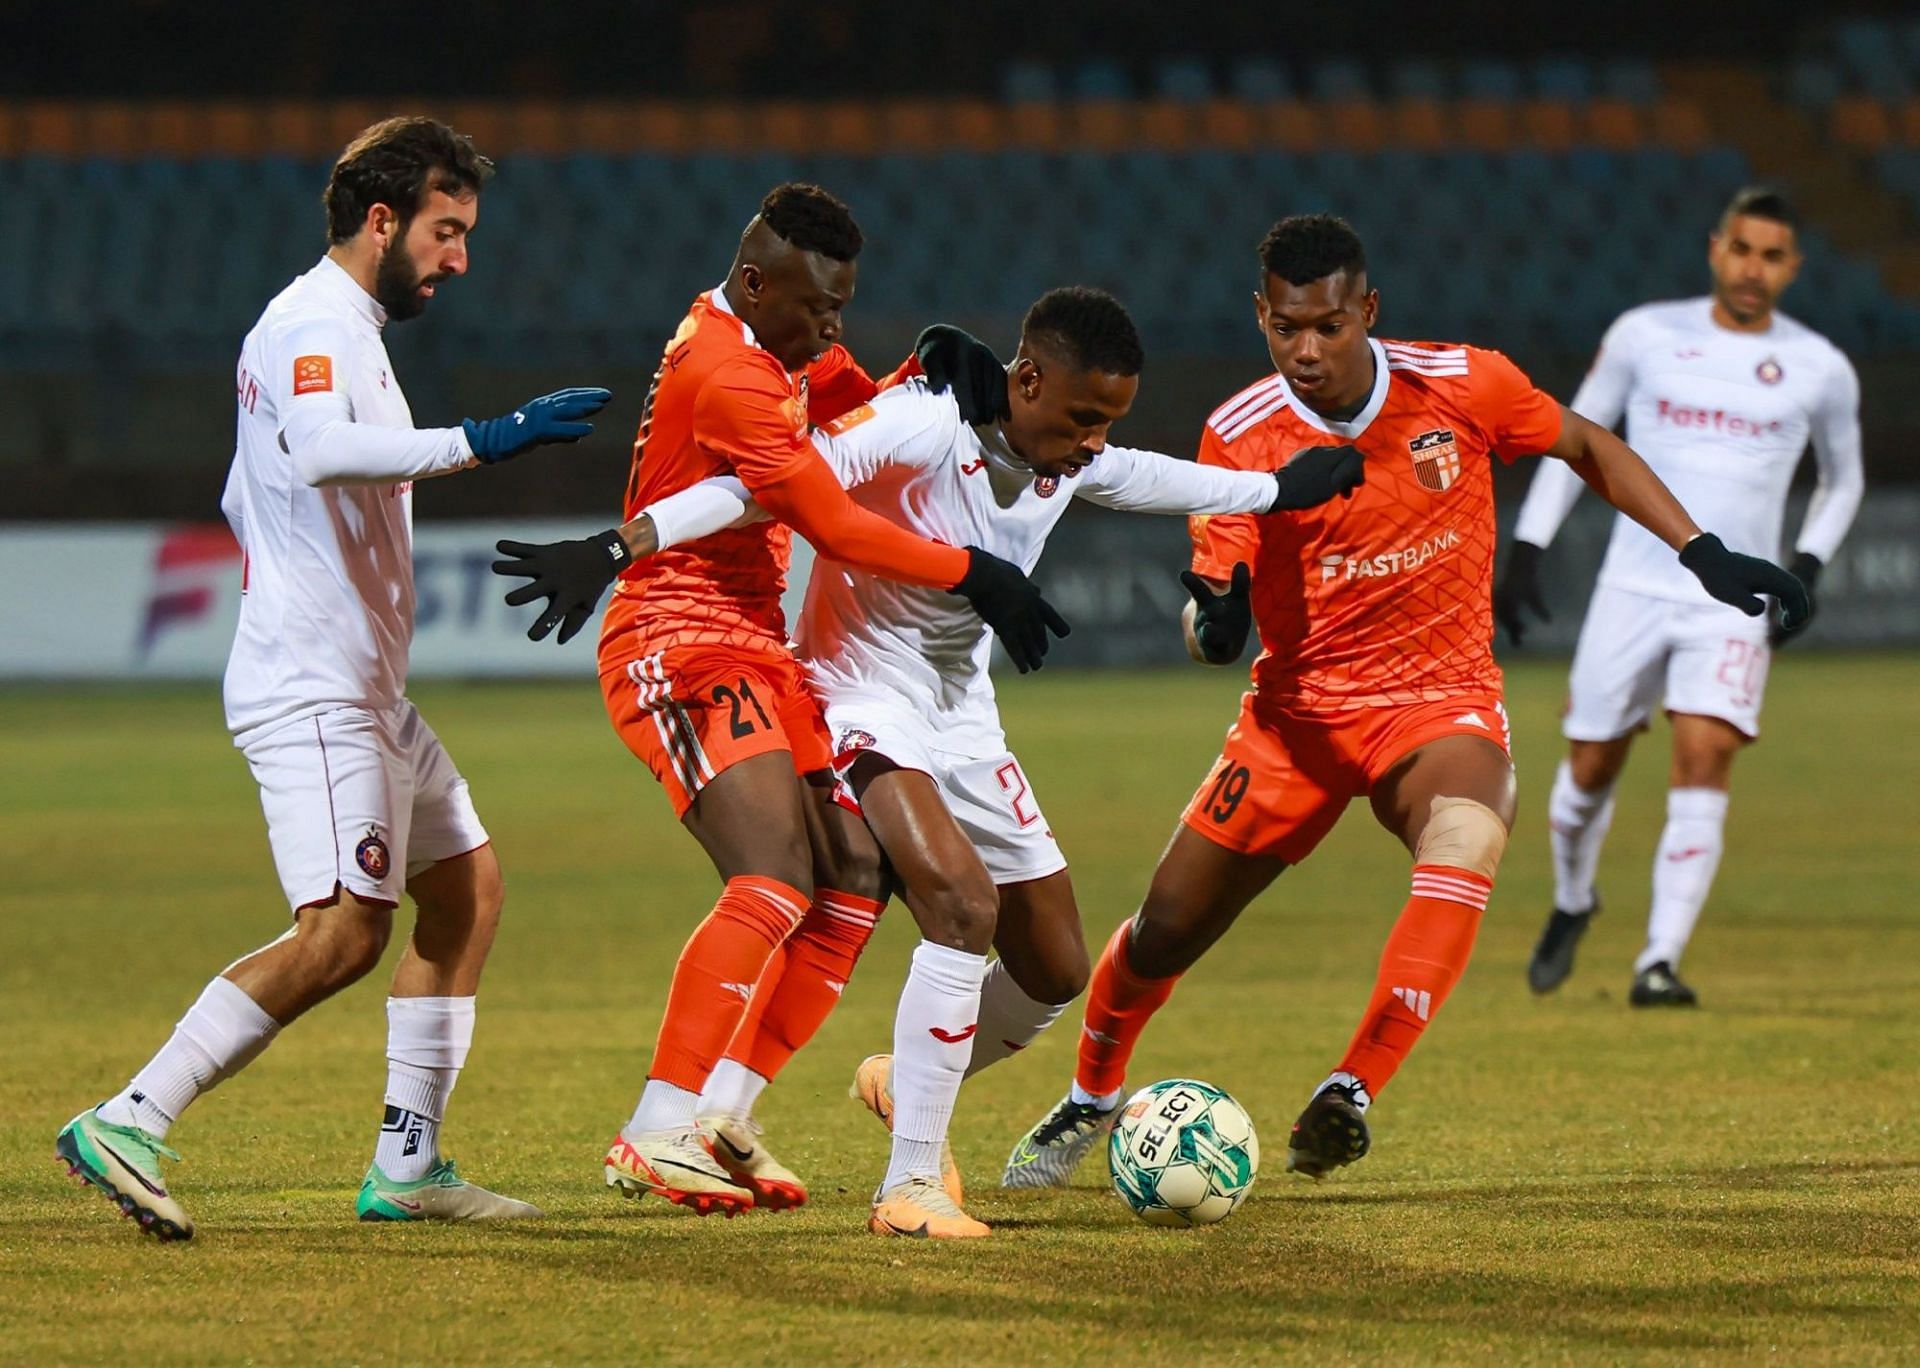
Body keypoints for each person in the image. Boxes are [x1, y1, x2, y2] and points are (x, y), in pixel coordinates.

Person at [1003, 214, 1808, 1188]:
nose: (1307, 349)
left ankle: (1352, 1090)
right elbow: (1213, 593)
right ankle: (1091, 1095)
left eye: (1329, 326)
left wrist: (1703, 551)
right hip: (1294, 726)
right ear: (1262, 315)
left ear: (1367, 312)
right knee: (1167, 927)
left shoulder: (1463, 384)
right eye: (1287, 327)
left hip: (1438, 702)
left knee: (1467, 836)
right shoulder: (1242, 431)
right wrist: (1215, 624)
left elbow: (1589, 446)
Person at [627, 286, 1364, 1236]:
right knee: (961, 909)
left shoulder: (1069, 456)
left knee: (1055, 967)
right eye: (1082, 416)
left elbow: (1151, 476)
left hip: (964, 717)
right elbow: (774, 480)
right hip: (859, 693)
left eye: (1108, 420)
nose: (1094, 439)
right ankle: (909, 1189)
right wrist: (627, 539)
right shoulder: (920, 420)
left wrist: (1277, 491)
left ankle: (905, 1075)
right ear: (1026, 380)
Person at [56, 116, 613, 1240]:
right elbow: (313, 449)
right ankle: (131, 1117)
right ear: (381, 220)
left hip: (364, 687)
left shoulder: (343, 329)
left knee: (466, 889)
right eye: (446, 231)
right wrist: (487, 438)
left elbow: (244, 485)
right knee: (343, 931)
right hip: (314, 686)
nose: (459, 257)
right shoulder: (312, 321)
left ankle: (407, 1169)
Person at [489, 184, 1062, 1216]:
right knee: (773, 874)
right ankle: (657, 1127)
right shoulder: (729, 374)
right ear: (756, 283)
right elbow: (834, 524)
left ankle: (721, 1115)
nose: (832, 327)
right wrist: (969, 568)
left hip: (759, 640)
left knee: (852, 874)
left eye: (844, 305)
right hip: (679, 634)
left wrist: (935, 375)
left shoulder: (778, 344)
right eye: (818, 307)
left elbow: (858, 401)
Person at [1497, 187, 1863, 1006]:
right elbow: (1576, 436)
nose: (1753, 269)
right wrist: (1527, 548)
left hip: (1732, 599)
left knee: (1705, 755)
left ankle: (1657, 961)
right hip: (1633, 585)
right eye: (1742, 249)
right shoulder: (1646, 335)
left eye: (1773, 256)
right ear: (1715, 248)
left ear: (1793, 268)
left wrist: (1806, 563)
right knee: (1591, 762)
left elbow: (1845, 480)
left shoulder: (1821, 368)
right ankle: (1572, 899)